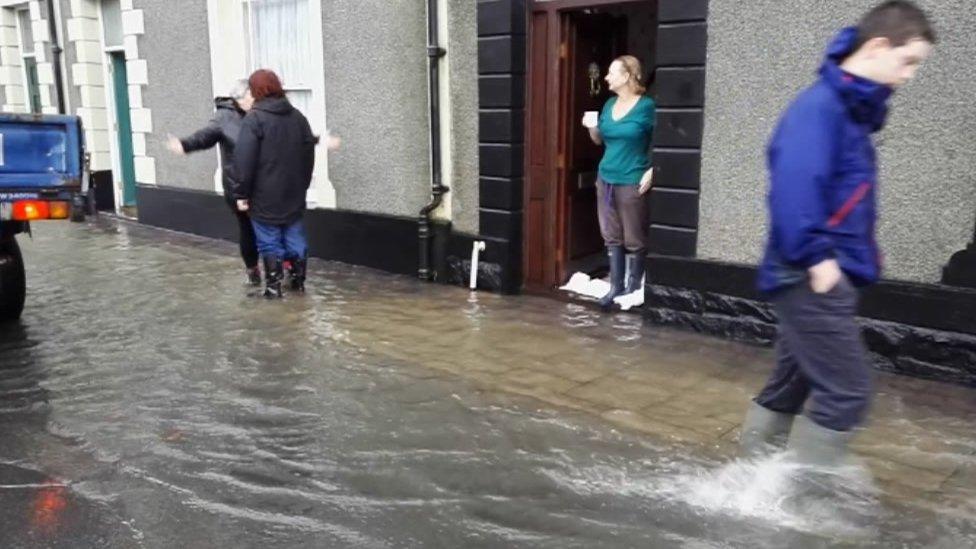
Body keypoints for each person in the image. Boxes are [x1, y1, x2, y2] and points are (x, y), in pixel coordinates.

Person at [739, 1, 935, 467]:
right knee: (847, 393)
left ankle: (748, 486)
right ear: (878, 46)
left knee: (792, 383)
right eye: (908, 61)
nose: (909, 75)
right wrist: (819, 261)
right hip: (811, 275)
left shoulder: (847, 113)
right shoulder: (822, 109)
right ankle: (802, 508)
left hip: (822, 273)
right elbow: (794, 186)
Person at [234, 69, 339, 298]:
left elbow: (244, 160)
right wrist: (301, 184)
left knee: (269, 241)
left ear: (256, 91)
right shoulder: (297, 117)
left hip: (264, 195)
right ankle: (298, 283)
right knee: (295, 236)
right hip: (293, 193)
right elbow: (307, 151)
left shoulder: (254, 120)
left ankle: (273, 289)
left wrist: (241, 194)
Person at [167, 80, 260, 285]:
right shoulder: (224, 118)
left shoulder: (259, 113)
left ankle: (276, 271)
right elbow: (205, 136)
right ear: (237, 99)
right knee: (247, 229)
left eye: (254, 96)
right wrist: (184, 145)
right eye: (248, 97)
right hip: (238, 185)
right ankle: (253, 270)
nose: (252, 101)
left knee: (268, 228)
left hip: (263, 183)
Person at [582, 55, 656, 309]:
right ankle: (616, 286)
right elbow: (599, 141)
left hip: (632, 177)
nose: (606, 77)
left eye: (611, 73)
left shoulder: (646, 107)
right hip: (606, 178)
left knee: (634, 236)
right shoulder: (609, 104)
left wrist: (653, 169)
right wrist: (592, 128)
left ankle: (633, 287)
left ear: (626, 77)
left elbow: (661, 140)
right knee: (611, 235)